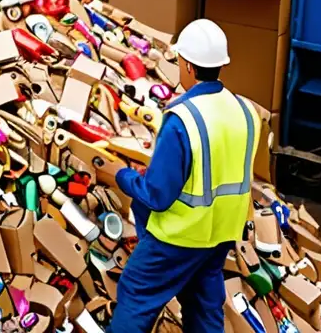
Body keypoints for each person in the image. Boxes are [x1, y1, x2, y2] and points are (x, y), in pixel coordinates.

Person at [99, 19, 260, 333]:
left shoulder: (183, 119)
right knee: (203, 306)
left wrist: (121, 176)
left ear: (187, 64)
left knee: (136, 293)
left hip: (177, 237)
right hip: (219, 235)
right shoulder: (244, 111)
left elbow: (158, 196)